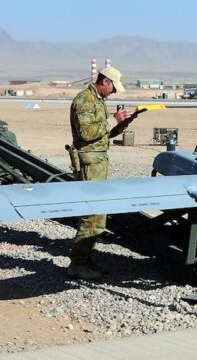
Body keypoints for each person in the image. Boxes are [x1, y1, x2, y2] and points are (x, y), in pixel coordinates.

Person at [66, 66, 136, 280]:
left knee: (99, 215)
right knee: (91, 214)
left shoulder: (97, 101)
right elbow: (87, 134)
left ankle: (85, 259)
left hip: (97, 161)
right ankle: (77, 264)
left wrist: (122, 124)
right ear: (104, 81)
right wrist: (113, 120)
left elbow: (103, 133)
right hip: (89, 164)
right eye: (113, 87)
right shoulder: (84, 101)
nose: (114, 92)